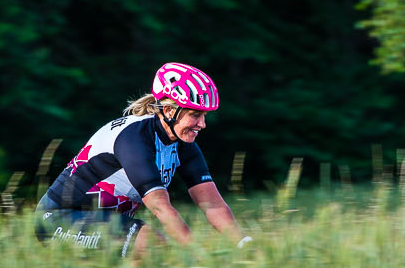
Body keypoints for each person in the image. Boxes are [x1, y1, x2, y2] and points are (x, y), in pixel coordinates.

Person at [37, 62, 251, 254]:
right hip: (56, 219)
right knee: (153, 246)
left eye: (204, 116)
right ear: (168, 110)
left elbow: (212, 205)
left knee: (149, 258)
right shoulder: (134, 139)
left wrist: (246, 245)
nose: (202, 124)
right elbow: (160, 208)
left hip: (104, 221)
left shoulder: (182, 142)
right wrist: (197, 257)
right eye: (195, 115)